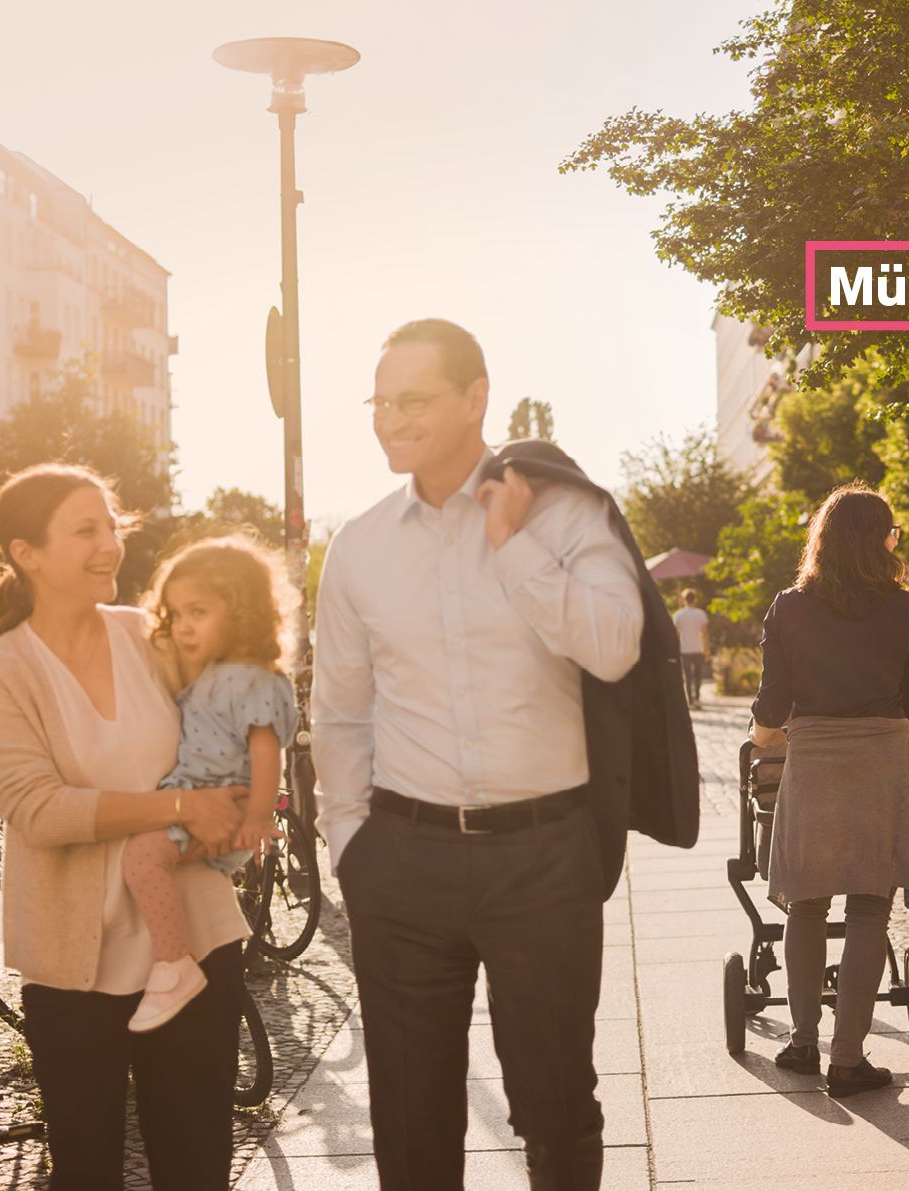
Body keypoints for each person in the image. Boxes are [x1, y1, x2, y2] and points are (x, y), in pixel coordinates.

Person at [312, 318, 643, 1190]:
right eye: (378, 402)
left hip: (544, 857)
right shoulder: (359, 544)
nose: (389, 420)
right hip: (403, 863)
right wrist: (352, 842)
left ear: (475, 398)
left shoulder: (567, 513)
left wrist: (515, 546)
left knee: (556, 1104)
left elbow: (614, 645)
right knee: (411, 1122)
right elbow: (341, 710)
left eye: (411, 400)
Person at [0, 463, 250, 1190]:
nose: (110, 544)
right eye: (86, 529)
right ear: (26, 552)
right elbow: (41, 810)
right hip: (74, 964)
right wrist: (176, 807)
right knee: (87, 1168)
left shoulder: (147, 637)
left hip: (194, 941)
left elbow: (225, 735)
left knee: (198, 1161)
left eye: (112, 526)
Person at [749, 484, 909, 1098]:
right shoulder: (904, 609)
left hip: (815, 760)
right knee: (867, 907)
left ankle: (804, 1044)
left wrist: (764, 736)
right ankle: (848, 1061)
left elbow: (772, 702)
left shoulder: (790, 606)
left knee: (806, 902)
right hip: (881, 760)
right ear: (879, 540)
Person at [120, 536, 298, 1032]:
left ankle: (173, 966)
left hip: (226, 807)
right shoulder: (218, 672)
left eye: (198, 611)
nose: (184, 626)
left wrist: (260, 817)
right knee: (142, 858)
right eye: (176, 614)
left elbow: (267, 752)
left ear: (241, 614)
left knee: (141, 858)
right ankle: (174, 957)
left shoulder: (254, 679)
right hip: (204, 799)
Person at [673, 588, 710, 709]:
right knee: (698, 676)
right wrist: (707, 649)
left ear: (684, 600)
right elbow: (705, 634)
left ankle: (690, 701)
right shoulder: (700, 614)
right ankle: (697, 699)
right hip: (698, 648)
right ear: (695, 599)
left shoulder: (678, 615)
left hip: (685, 649)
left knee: (688, 677)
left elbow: (675, 635)